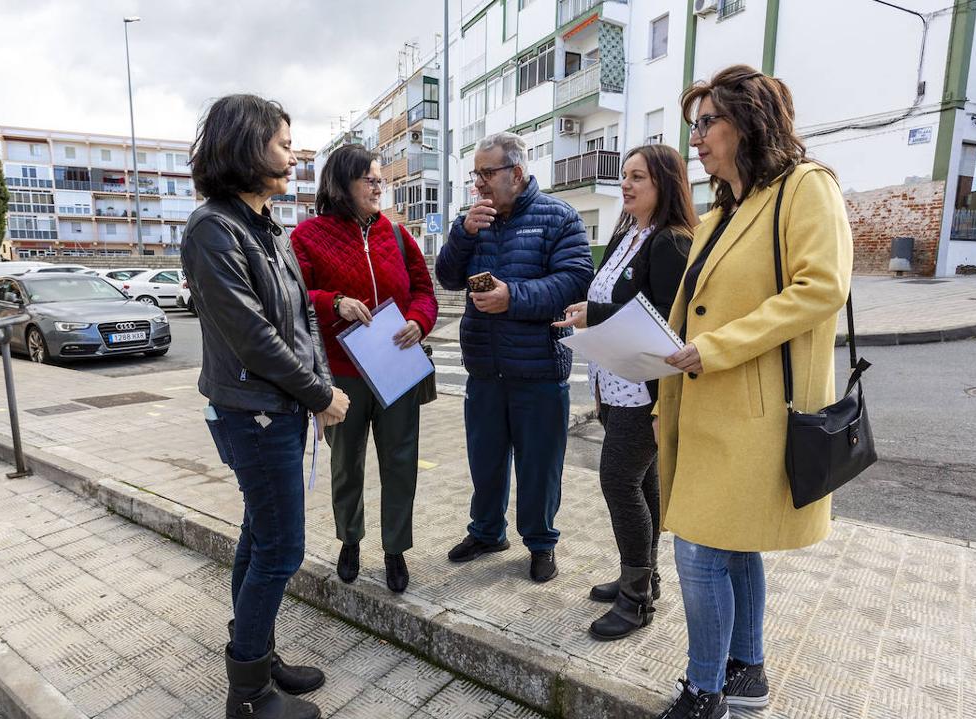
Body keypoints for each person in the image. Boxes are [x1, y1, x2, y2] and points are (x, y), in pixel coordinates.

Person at [634, 66, 854, 719]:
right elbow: (695, 303)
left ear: (749, 124)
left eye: (707, 124)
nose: (694, 139)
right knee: (731, 544)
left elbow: (821, 288)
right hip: (706, 409)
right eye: (693, 125)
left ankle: (705, 693)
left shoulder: (805, 187)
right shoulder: (728, 207)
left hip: (755, 411)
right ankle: (747, 670)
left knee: (698, 547)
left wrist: (714, 349)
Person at [182, 94, 350, 719]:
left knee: (260, 533)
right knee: (281, 547)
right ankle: (247, 691)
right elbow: (251, 335)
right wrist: (317, 394)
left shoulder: (265, 224)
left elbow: (304, 317)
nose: (293, 153)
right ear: (248, 147)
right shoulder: (213, 229)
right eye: (283, 142)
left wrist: (323, 387)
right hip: (252, 412)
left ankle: (258, 650)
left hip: (280, 405)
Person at [435, 132, 593, 583]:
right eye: (476, 175)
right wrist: (464, 235)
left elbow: (576, 281)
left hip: (539, 370)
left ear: (516, 174)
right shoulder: (472, 222)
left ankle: (541, 544)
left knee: (539, 465)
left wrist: (513, 298)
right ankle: (487, 532)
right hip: (485, 368)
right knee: (484, 460)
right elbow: (447, 277)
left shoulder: (558, 217)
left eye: (487, 173)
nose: (479, 184)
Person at [553, 144, 696, 640]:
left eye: (639, 177)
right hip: (614, 381)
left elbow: (664, 323)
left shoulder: (671, 241)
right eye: (625, 176)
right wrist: (585, 309)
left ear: (666, 183)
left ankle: (636, 600)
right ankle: (643, 575)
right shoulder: (627, 235)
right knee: (644, 482)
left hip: (645, 389)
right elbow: (608, 297)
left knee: (618, 481)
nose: (627, 185)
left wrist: (598, 317)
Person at [290, 144, 439, 594]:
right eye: (368, 179)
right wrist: (334, 301)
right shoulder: (308, 236)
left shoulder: (396, 235)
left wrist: (419, 321)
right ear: (341, 184)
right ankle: (350, 539)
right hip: (343, 372)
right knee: (346, 464)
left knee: (400, 461)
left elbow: (424, 291)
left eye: (380, 179)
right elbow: (295, 296)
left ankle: (396, 549)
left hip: (396, 368)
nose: (378, 186)